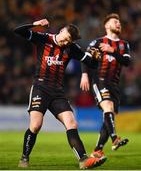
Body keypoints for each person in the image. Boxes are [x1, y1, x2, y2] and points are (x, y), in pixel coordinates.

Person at [14, 19, 106, 169]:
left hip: (57, 92)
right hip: (40, 87)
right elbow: (17, 31)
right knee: (36, 125)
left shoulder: (71, 47)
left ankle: (83, 160)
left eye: (70, 40)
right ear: (62, 30)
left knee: (72, 123)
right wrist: (35, 24)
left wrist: (97, 59)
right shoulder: (44, 38)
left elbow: (90, 63)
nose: (66, 42)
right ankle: (24, 157)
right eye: (66, 38)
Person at [80, 13, 131, 159]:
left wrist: (112, 51)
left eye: (119, 22)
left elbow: (127, 62)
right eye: (115, 21)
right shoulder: (97, 42)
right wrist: (84, 75)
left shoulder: (123, 45)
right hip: (99, 80)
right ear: (107, 25)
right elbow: (85, 59)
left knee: (109, 118)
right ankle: (115, 138)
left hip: (115, 85)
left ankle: (97, 149)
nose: (118, 24)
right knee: (107, 107)